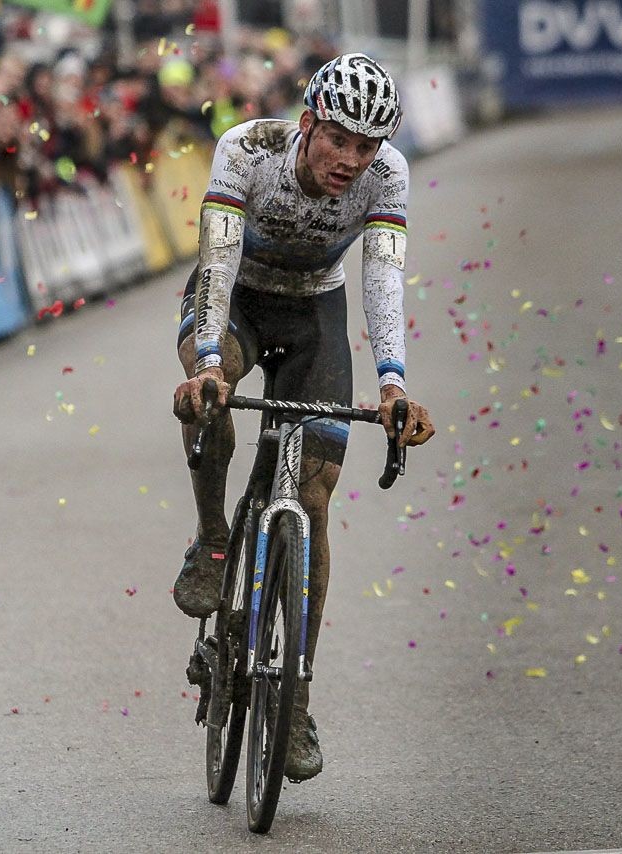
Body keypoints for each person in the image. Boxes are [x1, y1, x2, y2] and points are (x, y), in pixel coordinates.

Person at [171, 53, 435, 783]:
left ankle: (295, 702)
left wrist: (391, 384)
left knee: (312, 504)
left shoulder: (388, 178)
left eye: (368, 146)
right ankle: (216, 541)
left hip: (317, 312)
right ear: (310, 121)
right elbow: (217, 260)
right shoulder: (248, 150)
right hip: (237, 302)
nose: (352, 160)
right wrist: (209, 368)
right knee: (212, 389)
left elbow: (383, 273)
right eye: (339, 140)